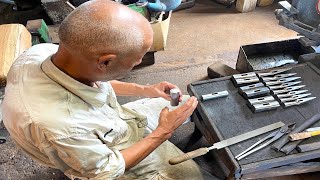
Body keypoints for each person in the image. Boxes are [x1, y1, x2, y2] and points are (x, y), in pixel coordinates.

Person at [3, 0, 208, 179]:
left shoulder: (44, 53)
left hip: (106, 121)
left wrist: (146, 89)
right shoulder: (65, 126)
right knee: (191, 175)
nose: (138, 61)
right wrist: (164, 131)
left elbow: (98, 80)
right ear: (105, 62)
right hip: (93, 155)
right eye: (137, 58)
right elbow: (106, 171)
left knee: (179, 103)